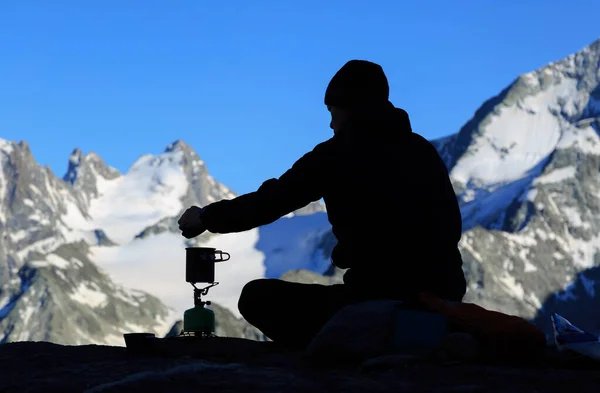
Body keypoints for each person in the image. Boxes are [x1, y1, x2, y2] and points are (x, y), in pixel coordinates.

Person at [178, 60, 466, 348]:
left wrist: (205, 217)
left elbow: (271, 201)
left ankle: (351, 345)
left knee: (257, 297)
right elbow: (451, 226)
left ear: (348, 107)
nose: (330, 123)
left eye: (332, 111)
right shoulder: (423, 150)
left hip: (374, 301)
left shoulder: (337, 154)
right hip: (441, 301)